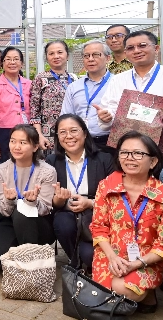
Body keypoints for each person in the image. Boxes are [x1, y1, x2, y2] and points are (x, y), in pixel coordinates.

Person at [91, 131, 163, 313]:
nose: (130, 158)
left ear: (153, 161)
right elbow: (98, 227)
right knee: (105, 289)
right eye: (124, 152)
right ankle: (142, 298)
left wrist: (138, 263)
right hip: (111, 254)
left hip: (147, 259)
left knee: (121, 288)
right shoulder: (106, 185)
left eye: (138, 153)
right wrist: (111, 256)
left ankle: (146, 294)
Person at [46, 114, 114, 269]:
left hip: (95, 211)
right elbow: (52, 203)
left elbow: (115, 198)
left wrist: (90, 203)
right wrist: (60, 200)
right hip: (66, 212)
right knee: (62, 222)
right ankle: (74, 262)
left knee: (89, 257)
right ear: (57, 137)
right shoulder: (52, 161)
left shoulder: (104, 159)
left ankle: (86, 255)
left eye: (73, 131)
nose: (68, 136)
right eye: (62, 132)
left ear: (84, 132)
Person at [0, 124, 56, 265]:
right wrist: (10, 200)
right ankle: (21, 248)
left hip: (38, 222)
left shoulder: (47, 171)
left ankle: (31, 264)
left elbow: (46, 209)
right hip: (10, 220)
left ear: (35, 147)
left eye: (23, 143)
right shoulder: (1, 169)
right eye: (13, 141)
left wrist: (33, 202)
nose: (16, 147)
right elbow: (4, 211)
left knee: (23, 211)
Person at [96, 31, 163, 132]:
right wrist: (105, 118)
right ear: (126, 53)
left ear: (156, 49)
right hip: (128, 143)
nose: (136, 51)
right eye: (130, 48)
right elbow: (108, 116)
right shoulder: (118, 80)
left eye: (142, 45)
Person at [61, 39, 113, 154]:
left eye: (96, 55)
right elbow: (66, 117)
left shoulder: (118, 83)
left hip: (110, 142)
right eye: (86, 56)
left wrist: (109, 119)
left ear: (108, 58)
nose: (90, 59)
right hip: (80, 143)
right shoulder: (74, 87)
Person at [30, 40, 77, 153]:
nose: (56, 56)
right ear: (46, 58)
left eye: (60, 52)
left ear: (67, 56)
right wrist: (39, 135)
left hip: (71, 134)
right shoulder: (40, 78)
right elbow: (34, 110)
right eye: (51, 53)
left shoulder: (74, 79)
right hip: (48, 135)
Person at [0, 47, 31, 164]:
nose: (12, 62)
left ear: (21, 63)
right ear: (2, 63)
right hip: (5, 133)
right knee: (7, 169)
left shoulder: (29, 84)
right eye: (8, 59)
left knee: (27, 167)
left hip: (27, 131)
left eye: (16, 59)